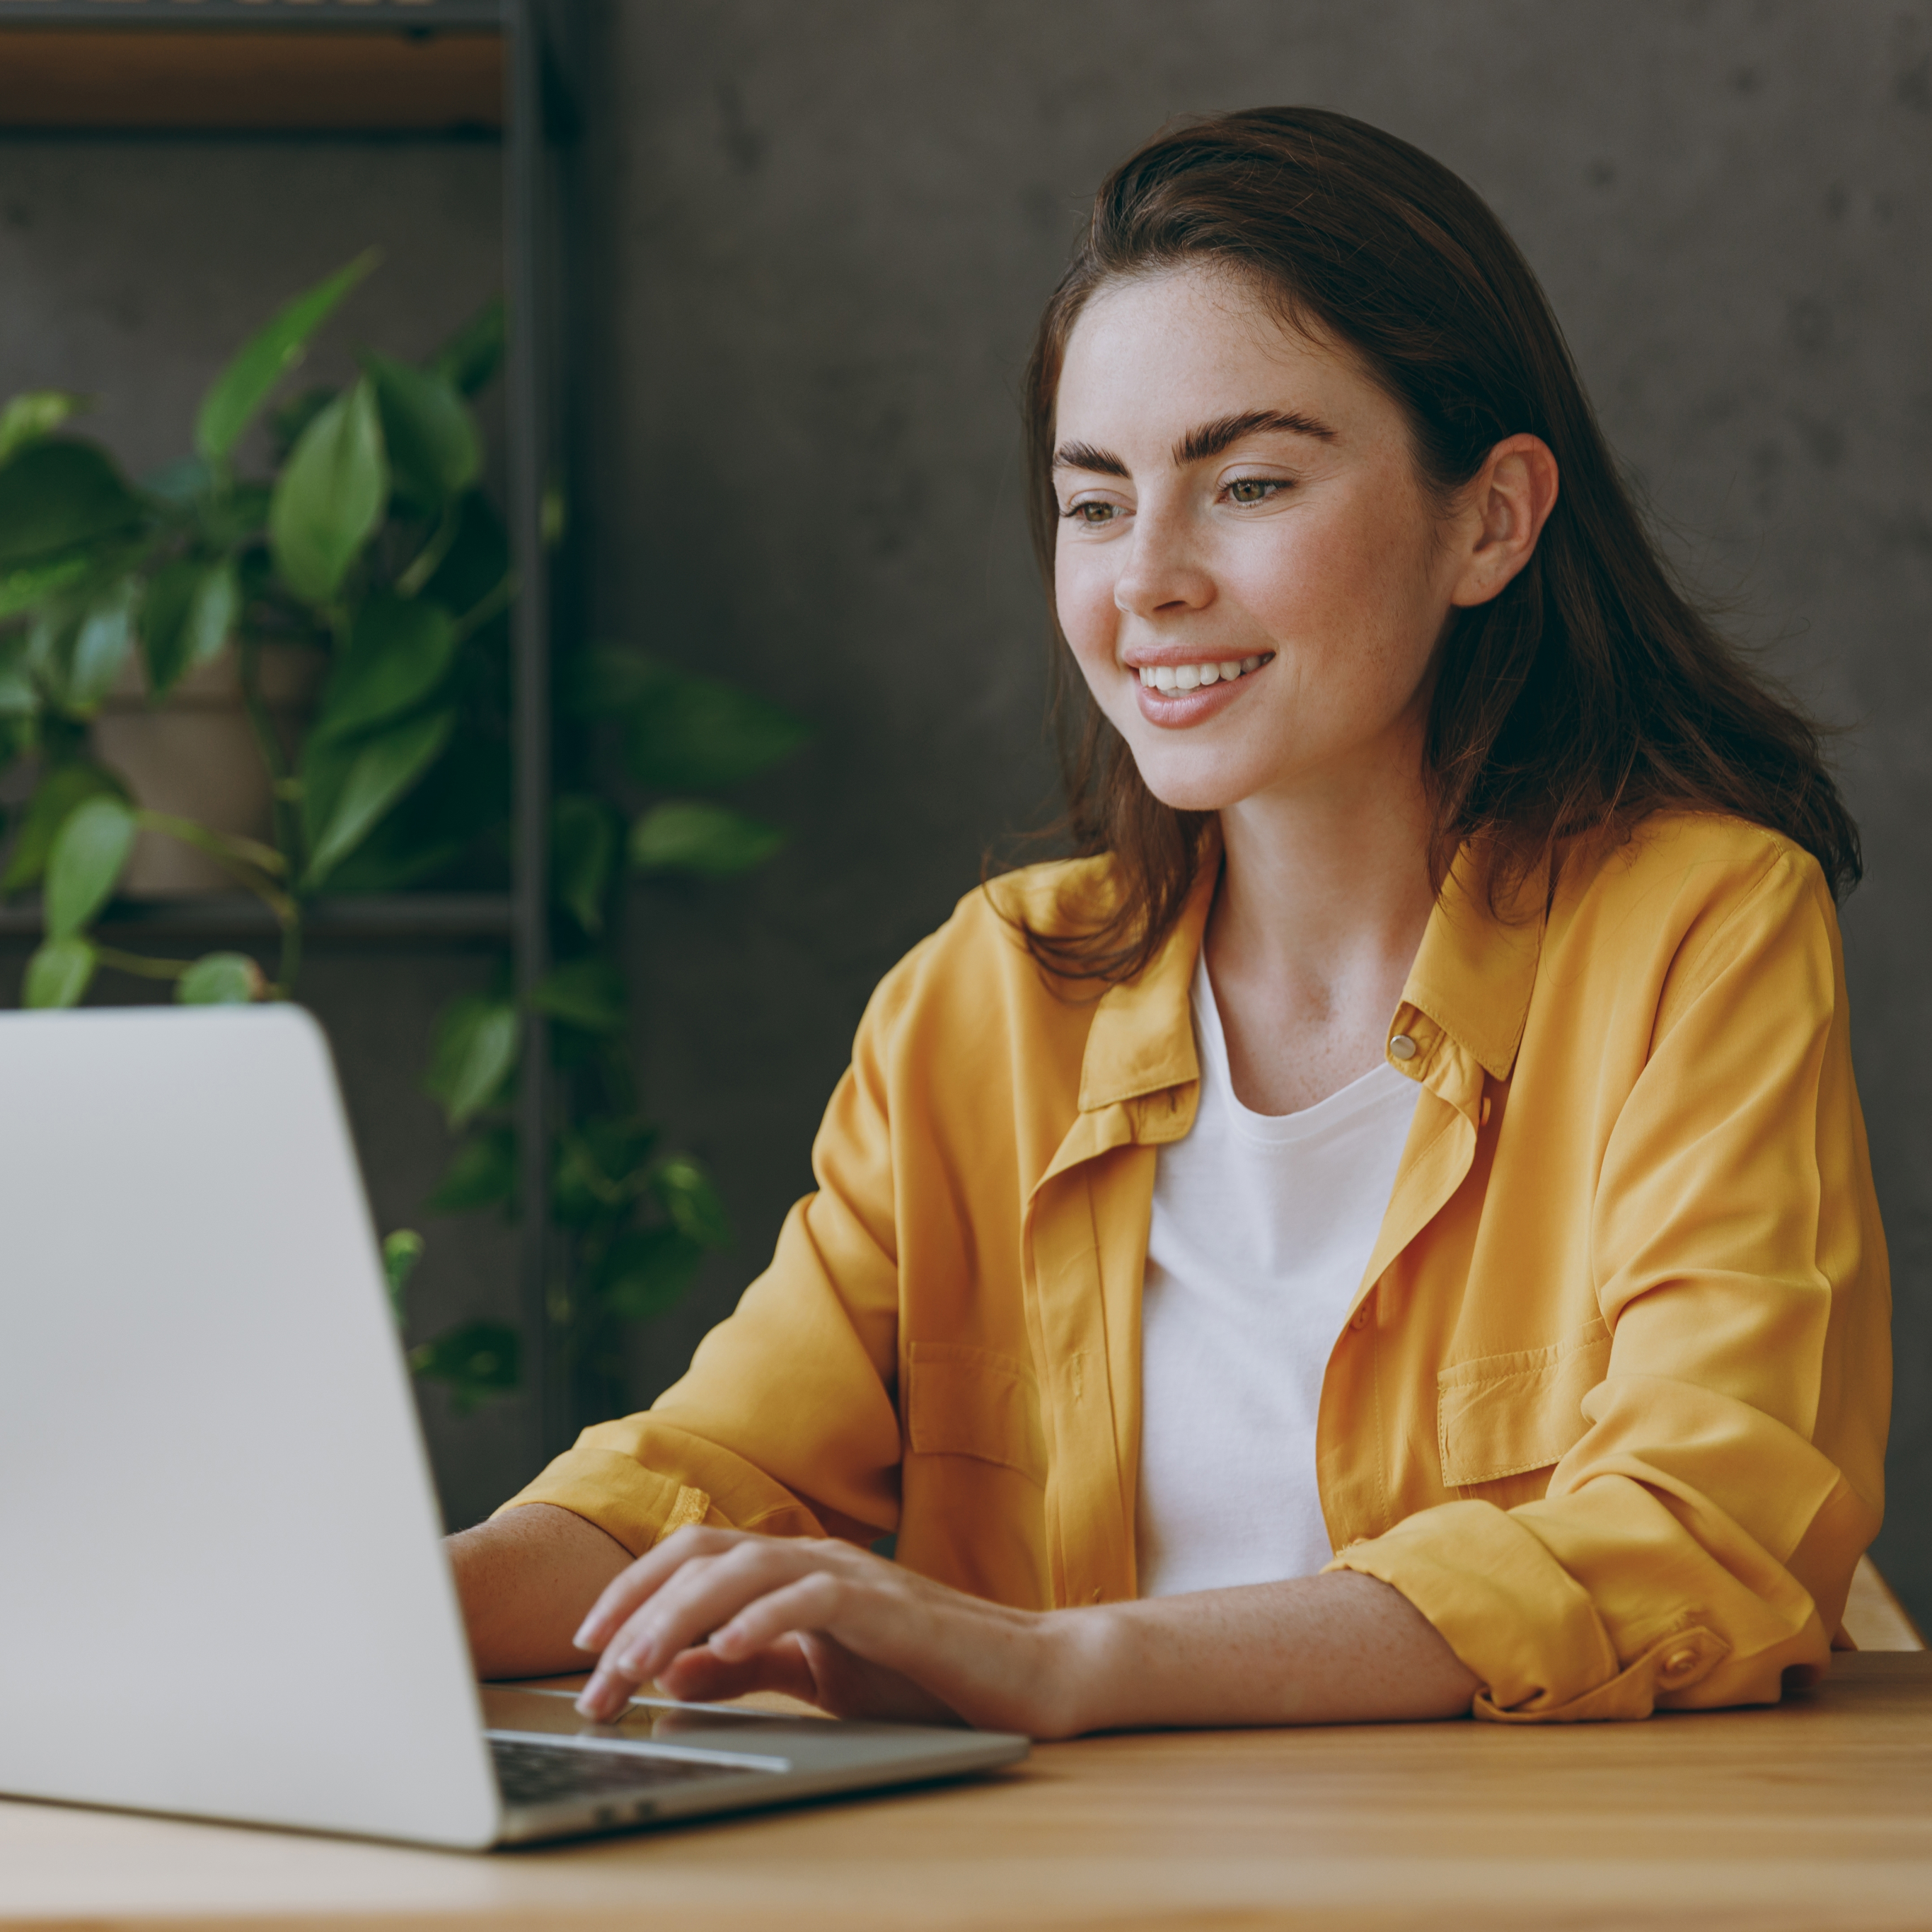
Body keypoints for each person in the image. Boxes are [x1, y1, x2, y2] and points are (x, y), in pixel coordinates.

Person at [449, 107, 1890, 1736]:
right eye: (1094, 503)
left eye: (1249, 481)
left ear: (1488, 520)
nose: (1147, 579)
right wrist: (376, 1603)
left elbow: (1703, 1531)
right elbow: (715, 1471)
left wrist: (1067, 1660)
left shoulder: (1698, 927)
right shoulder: (985, 993)